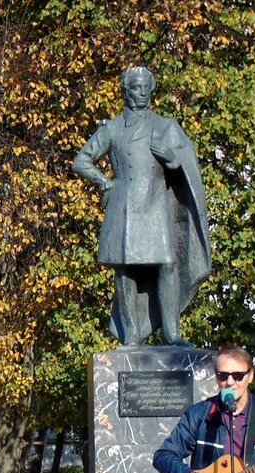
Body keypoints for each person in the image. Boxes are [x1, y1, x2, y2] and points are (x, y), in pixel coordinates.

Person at [73, 66, 210, 346]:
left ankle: (172, 333)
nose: (143, 92)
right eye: (136, 87)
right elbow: (81, 160)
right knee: (125, 269)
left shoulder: (166, 126)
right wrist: (105, 182)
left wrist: (173, 159)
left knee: (168, 264)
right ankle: (131, 334)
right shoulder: (111, 128)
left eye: (147, 87)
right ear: (126, 90)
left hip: (156, 206)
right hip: (123, 207)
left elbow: (186, 169)